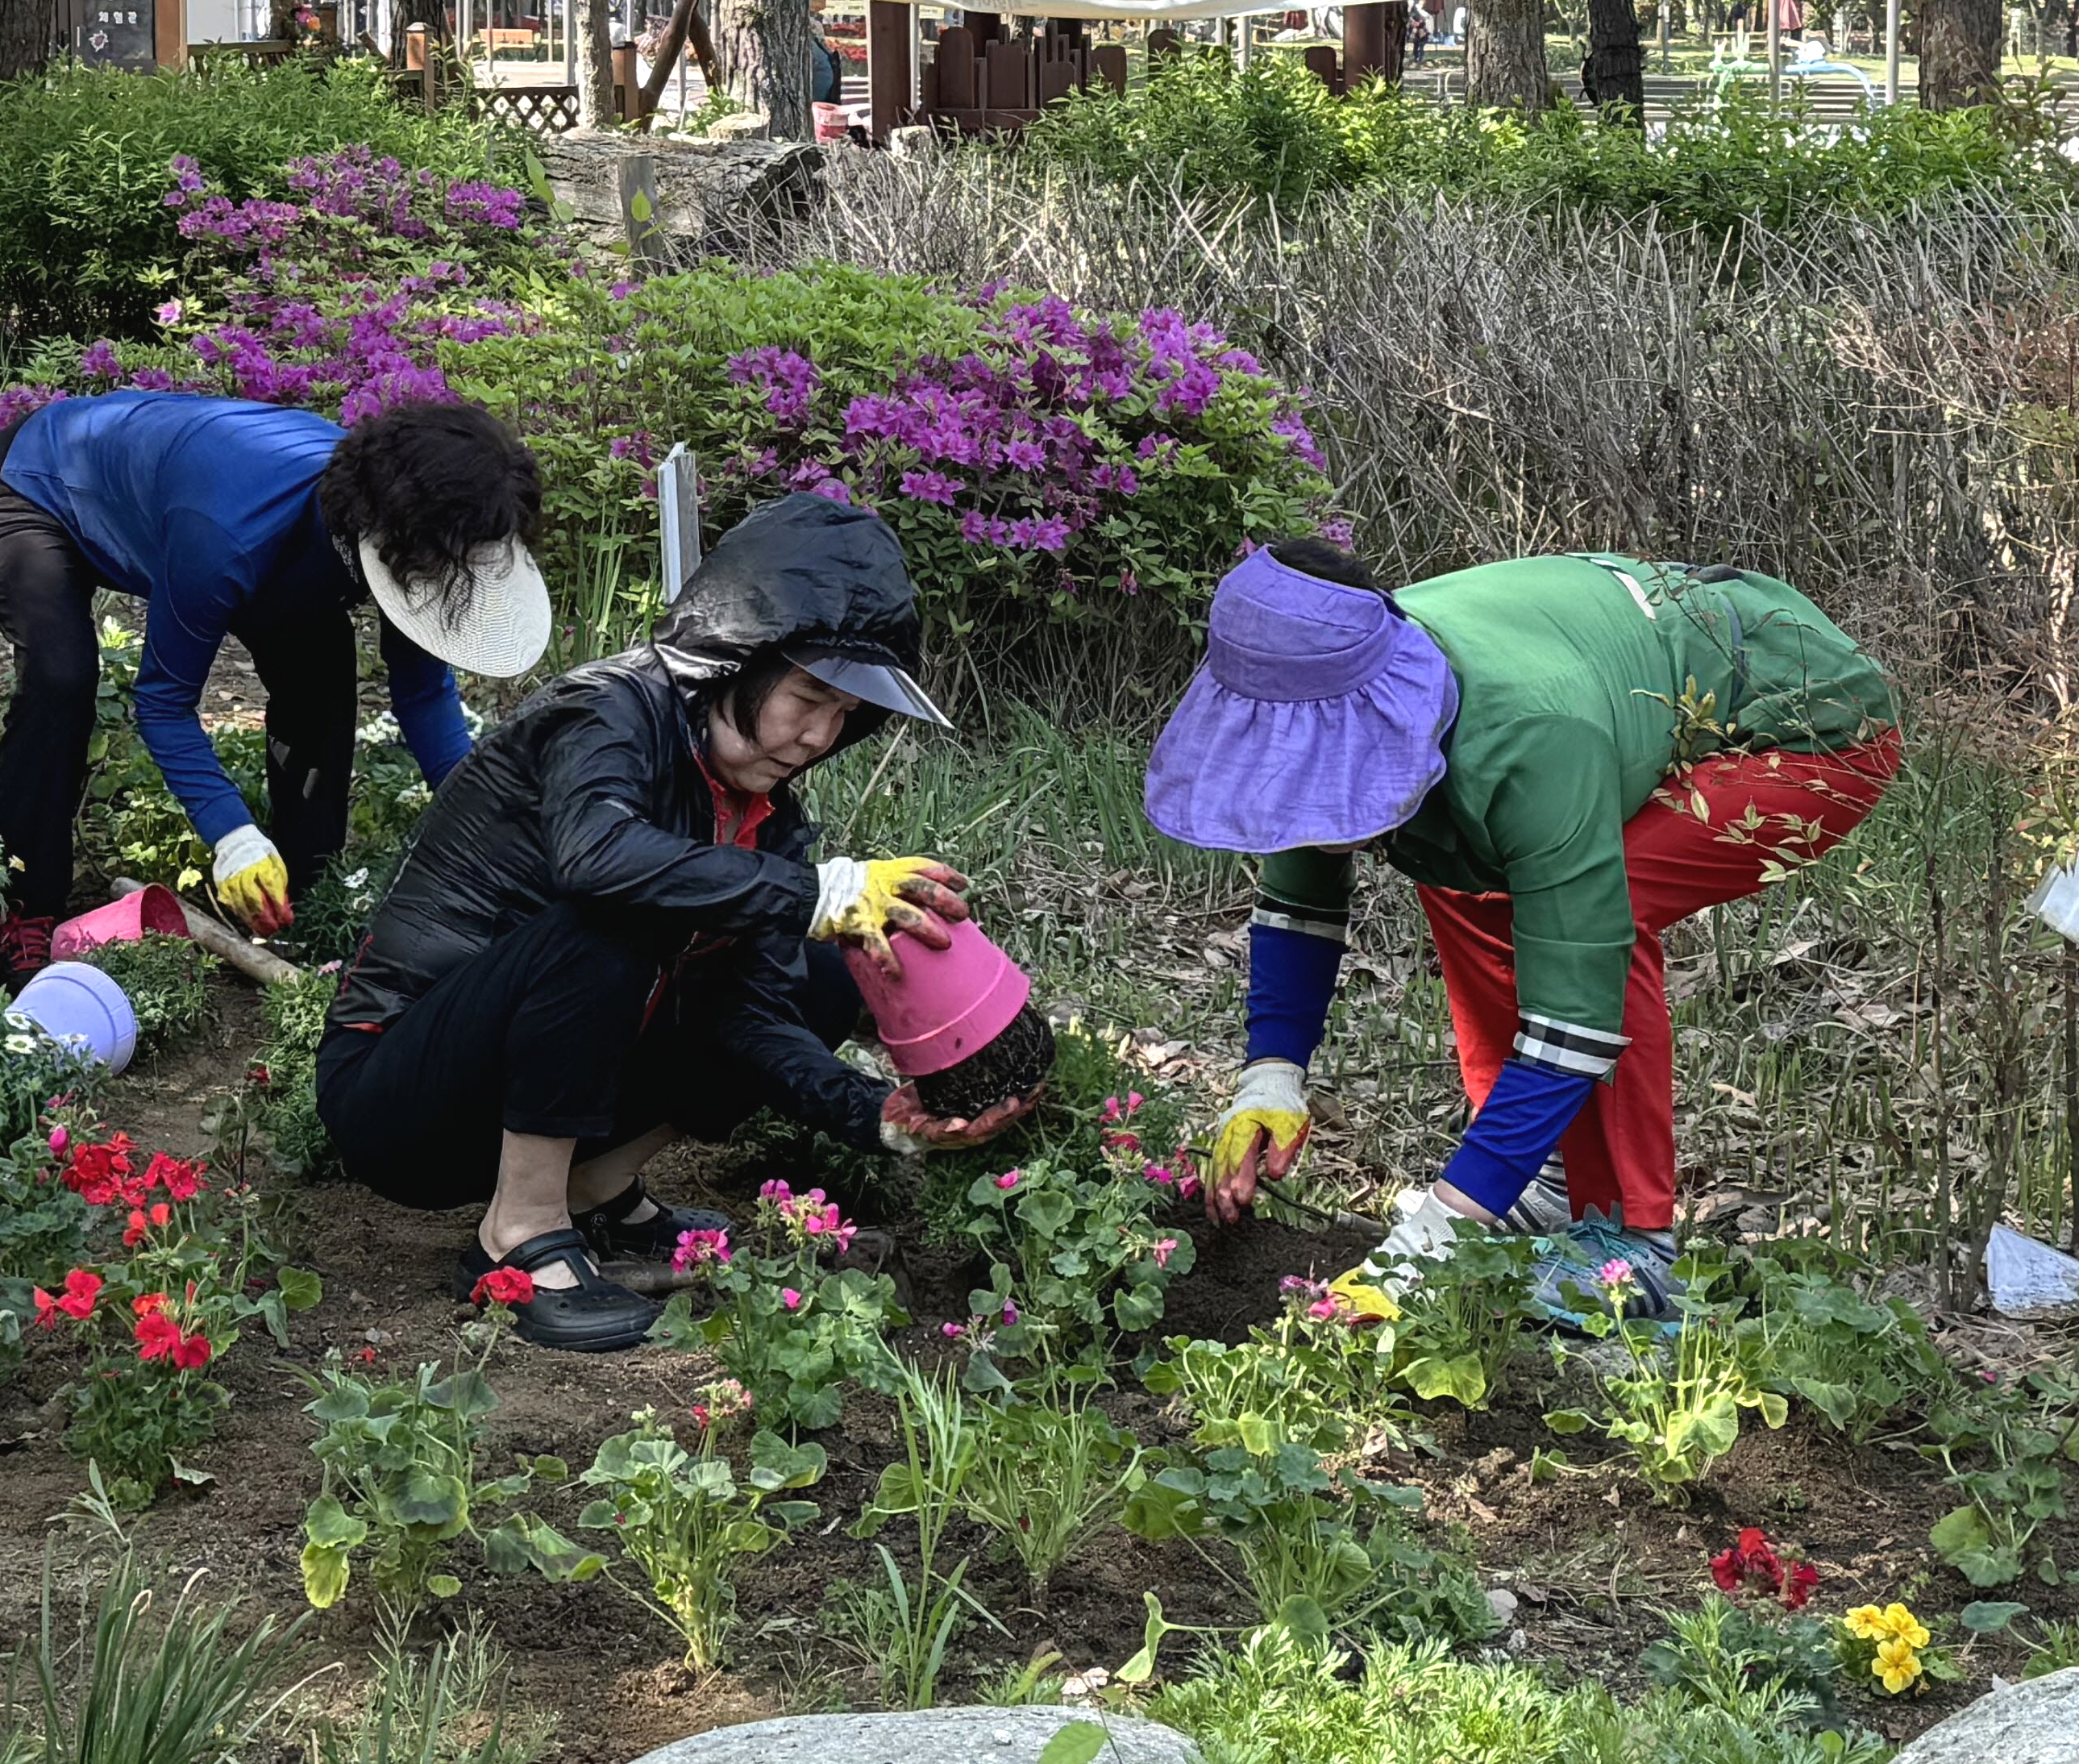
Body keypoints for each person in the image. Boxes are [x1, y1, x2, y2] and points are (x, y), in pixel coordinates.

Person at [318, 495, 1025, 1349]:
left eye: (845, 715)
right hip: (401, 1094)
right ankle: (520, 1229)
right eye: (807, 695)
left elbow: (751, 1017)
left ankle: (596, 1188)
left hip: (527, 1089)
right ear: (736, 657)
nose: (816, 735)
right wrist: (812, 893)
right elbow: (596, 858)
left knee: (827, 966)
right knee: (626, 914)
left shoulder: (769, 813)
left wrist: (876, 1114)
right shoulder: (609, 711)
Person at [1146, 542, 1901, 1303]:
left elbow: (1577, 1012)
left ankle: (1632, 1245)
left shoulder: (1530, 740)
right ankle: (1542, 1181)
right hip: (1617, 676)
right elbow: (1301, 892)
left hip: (1802, 721)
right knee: (1463, 867)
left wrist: (1429, 1244)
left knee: (1607, 912)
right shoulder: (1316, 675)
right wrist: (1270, 1076)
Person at [0, 390, 550, 971]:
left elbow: (424, 694)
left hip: (224, 518)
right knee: (62, 679)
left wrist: (491, 822)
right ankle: (28, 902)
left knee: (320, 683)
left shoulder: (417, 531)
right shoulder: (227, 533)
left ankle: (309, 898)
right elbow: (164, 702)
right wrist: (232, 836)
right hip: (40, 486)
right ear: (387, 542)